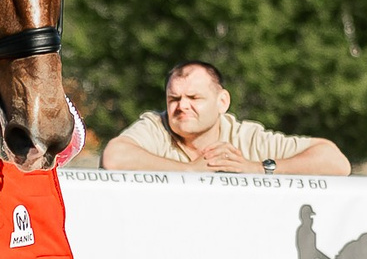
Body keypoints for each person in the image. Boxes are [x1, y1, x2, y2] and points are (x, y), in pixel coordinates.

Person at [99, 61, 349, 176]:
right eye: (174, 99)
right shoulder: (155, 127)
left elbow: (336, 162)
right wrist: (189, 171)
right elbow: (114, 157)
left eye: (194, 98)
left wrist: (257, 168)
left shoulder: (245, 137)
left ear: (223, 102)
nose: (181, 106)